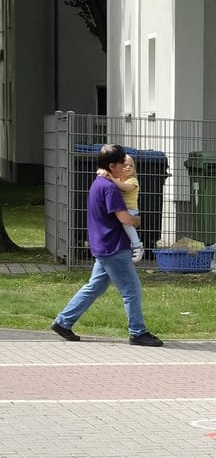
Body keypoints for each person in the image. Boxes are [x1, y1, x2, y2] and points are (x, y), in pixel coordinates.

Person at [50, 144, 164, 347]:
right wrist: (137, 221)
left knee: (94, 287)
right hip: (114, 246)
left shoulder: (98, 183)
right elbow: (125, 218)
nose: (124, 167)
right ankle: (138, 332)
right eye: (121, 164)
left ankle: (63, 322)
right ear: (112, 166)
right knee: (132, 290)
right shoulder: (111, 188)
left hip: (101, 244)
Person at [97, 153, 145, 263]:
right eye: (125, 165)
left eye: (131, 166)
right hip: (121, 209)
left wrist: (112, 179)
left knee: (126, 224)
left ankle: (137, 245)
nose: (128, 167)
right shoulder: (117, 179)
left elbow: (125, 188)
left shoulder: (132, 181)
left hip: (130, 210)